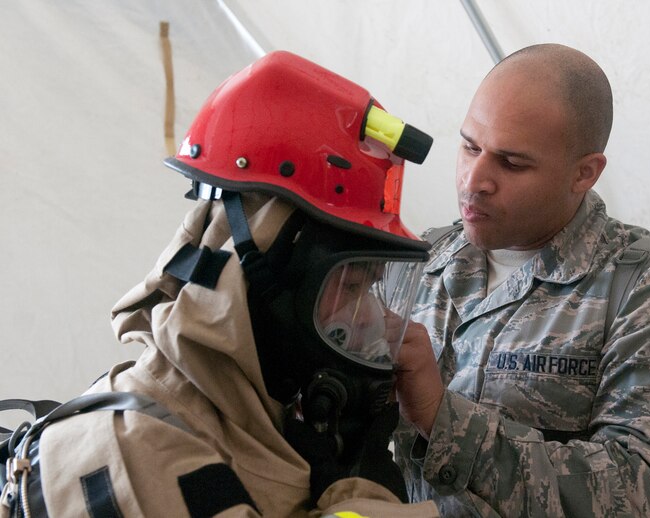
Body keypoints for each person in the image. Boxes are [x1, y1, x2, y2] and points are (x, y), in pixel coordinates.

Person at [2, 51, 439, 517]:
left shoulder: (256, 426)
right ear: (257, 275)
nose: (377, 320)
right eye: (350, 287)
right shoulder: (139, 455)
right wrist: (362, 490)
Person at [393, 43, 650, 517]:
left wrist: (442, 419)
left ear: (585, 172)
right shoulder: (422, 262)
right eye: (469, 146)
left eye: (512, 163)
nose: (474, 180)